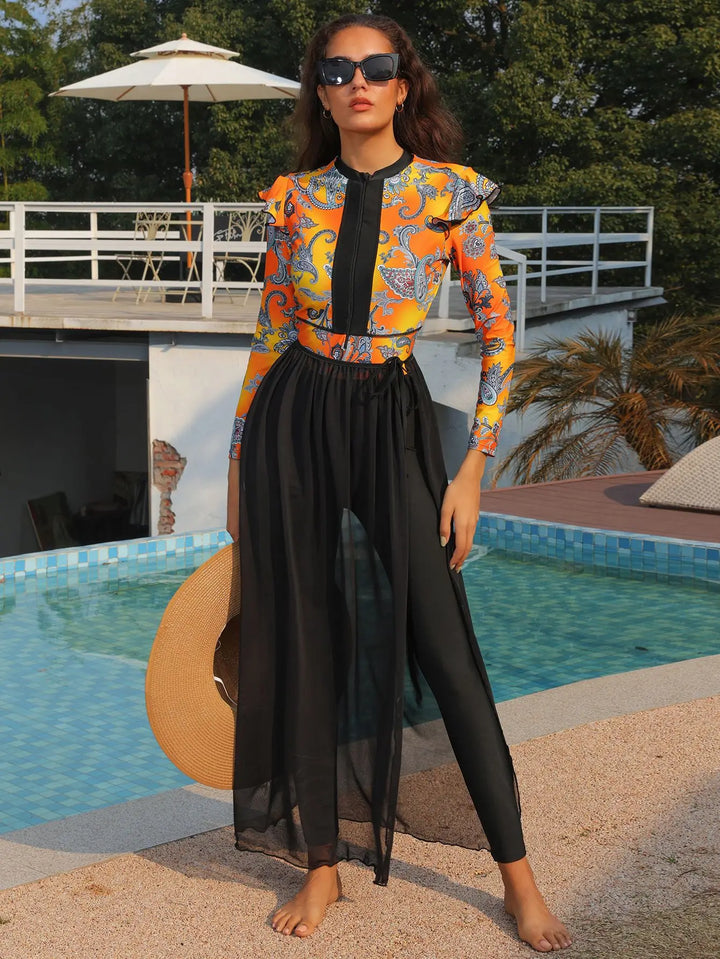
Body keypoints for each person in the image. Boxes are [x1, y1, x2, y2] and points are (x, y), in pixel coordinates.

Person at [226, 12, 571, 953]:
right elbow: (269, 332)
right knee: (303, 641)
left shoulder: (450, 194)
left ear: (404, 83)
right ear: (320, 90)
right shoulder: (294, 199)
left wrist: (473, 469)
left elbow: (499, 335)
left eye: (376, 67)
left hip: (391, 417)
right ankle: (321, 862)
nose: (357, 82)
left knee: (446, 644)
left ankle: (518, 875)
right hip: (295, 415)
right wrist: (237, 460)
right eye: (337, 70)